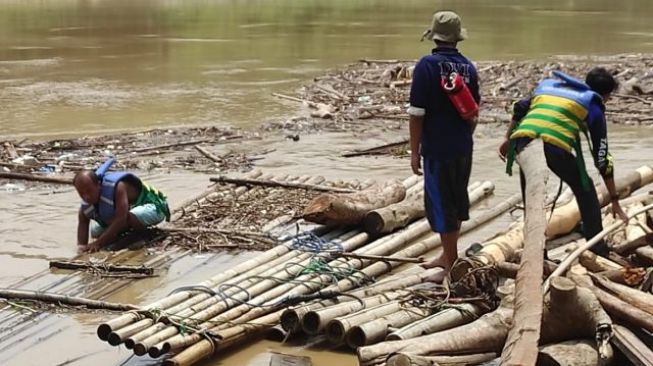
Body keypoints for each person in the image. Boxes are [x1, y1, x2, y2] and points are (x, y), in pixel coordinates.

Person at [499, 68, 628, 257]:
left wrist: (507, 138)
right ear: (606, 95)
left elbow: (520, 107)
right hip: (553, 148)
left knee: (532, 197)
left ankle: (536, 252)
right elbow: (601, 156)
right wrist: (615, 200)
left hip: (523, 143)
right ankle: (596, 247)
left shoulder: (550, 87)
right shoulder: (593, 105)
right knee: (586, 189)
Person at [408, 11, 481, 282]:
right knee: (456, 200)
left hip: (438, 149)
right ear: (457, 38)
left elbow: (417, 113)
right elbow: (474, 113)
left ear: (435, 35)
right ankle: (447, 255)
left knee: (440, 206)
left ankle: (450, 265)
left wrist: (415, 151)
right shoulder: (469, 67)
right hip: (463, 146)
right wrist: (463, 136)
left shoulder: (427, 66)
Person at [74, 159, 170, 253]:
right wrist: (81, 248)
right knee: (95, 231)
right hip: (131, 213)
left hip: (155, 208)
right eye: (81, 193)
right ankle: (124, 234)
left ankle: (141, 235)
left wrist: (98, 243)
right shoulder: (85, 208)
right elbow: (83, 230)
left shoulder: (118, 187)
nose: (86, 196)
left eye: (89, 191)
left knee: (129, 217)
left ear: (98, 185)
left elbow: (121, 219)